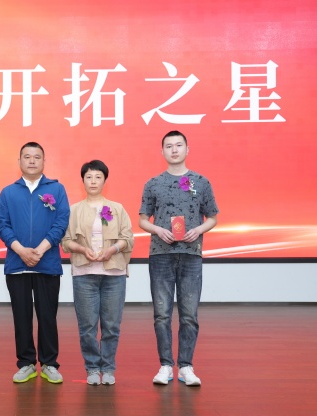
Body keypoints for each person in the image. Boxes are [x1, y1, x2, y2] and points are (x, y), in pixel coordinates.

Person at [139, 130, 219, 387]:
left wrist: (199, 229)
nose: (174, 150)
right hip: (160, 254)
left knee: (189, 315)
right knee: (162, 314)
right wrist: (157, 229)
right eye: (169, 146)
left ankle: (186, 366)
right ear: (162, 151)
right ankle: (165, 365)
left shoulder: (201, 182)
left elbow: (213, 217)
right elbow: (142, 219)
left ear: (187, 149)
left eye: (178, 145)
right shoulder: (153, 183)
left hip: (191, 254)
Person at [0, 142, 69, 384]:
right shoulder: (8, 192)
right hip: (17, 265)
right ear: (19, 161)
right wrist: (20, 250)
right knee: (22, 316)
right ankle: (26, 363)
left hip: (47, 263)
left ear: (44, 162)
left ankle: (49, 364)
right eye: (27, 156)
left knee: (48, 316)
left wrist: (40, 250)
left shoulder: (56, 189)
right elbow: (3, 226)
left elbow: (61, 222)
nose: (31, 161)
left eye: (37, 157)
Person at [61, 160, 134, 386]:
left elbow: (128, 238)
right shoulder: (73, 210)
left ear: (105, 180)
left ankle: (108, 368)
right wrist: (83, 249)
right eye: (89, 177)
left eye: (98, 177)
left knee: (111, 326)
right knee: (87, 327)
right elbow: (66, 241)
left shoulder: (117, 208)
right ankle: (92, 368)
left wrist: (112, 249)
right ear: (83, 180)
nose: (93, 181)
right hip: (84, 273)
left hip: (114, 275)